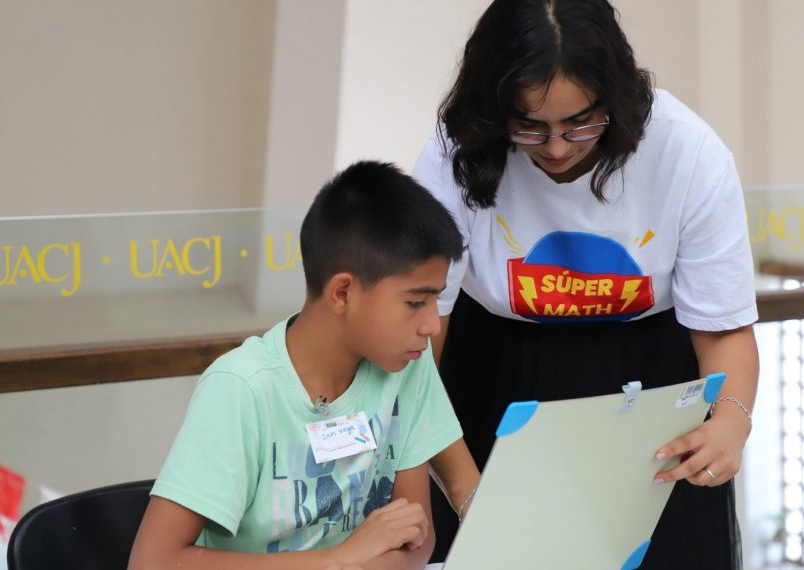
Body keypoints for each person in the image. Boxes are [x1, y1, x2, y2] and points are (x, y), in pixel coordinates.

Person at [414, 0, 760, 567]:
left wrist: (730, 420)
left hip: (652, 392)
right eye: (529, 126)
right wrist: (464, 488)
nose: (556, 147)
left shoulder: (687, 152)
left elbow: (724, 330)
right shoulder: (459, 150)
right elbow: (420, 339)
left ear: (614, 96)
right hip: (494, 374)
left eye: (580, 122)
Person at [129, 161, 467, 570]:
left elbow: (416, 535)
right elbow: (152, 562)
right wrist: (337, 560)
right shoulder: (241, 388)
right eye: (415, 302)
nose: (432, 325)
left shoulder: (406, 364)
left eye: (435, 300)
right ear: (342, 293)